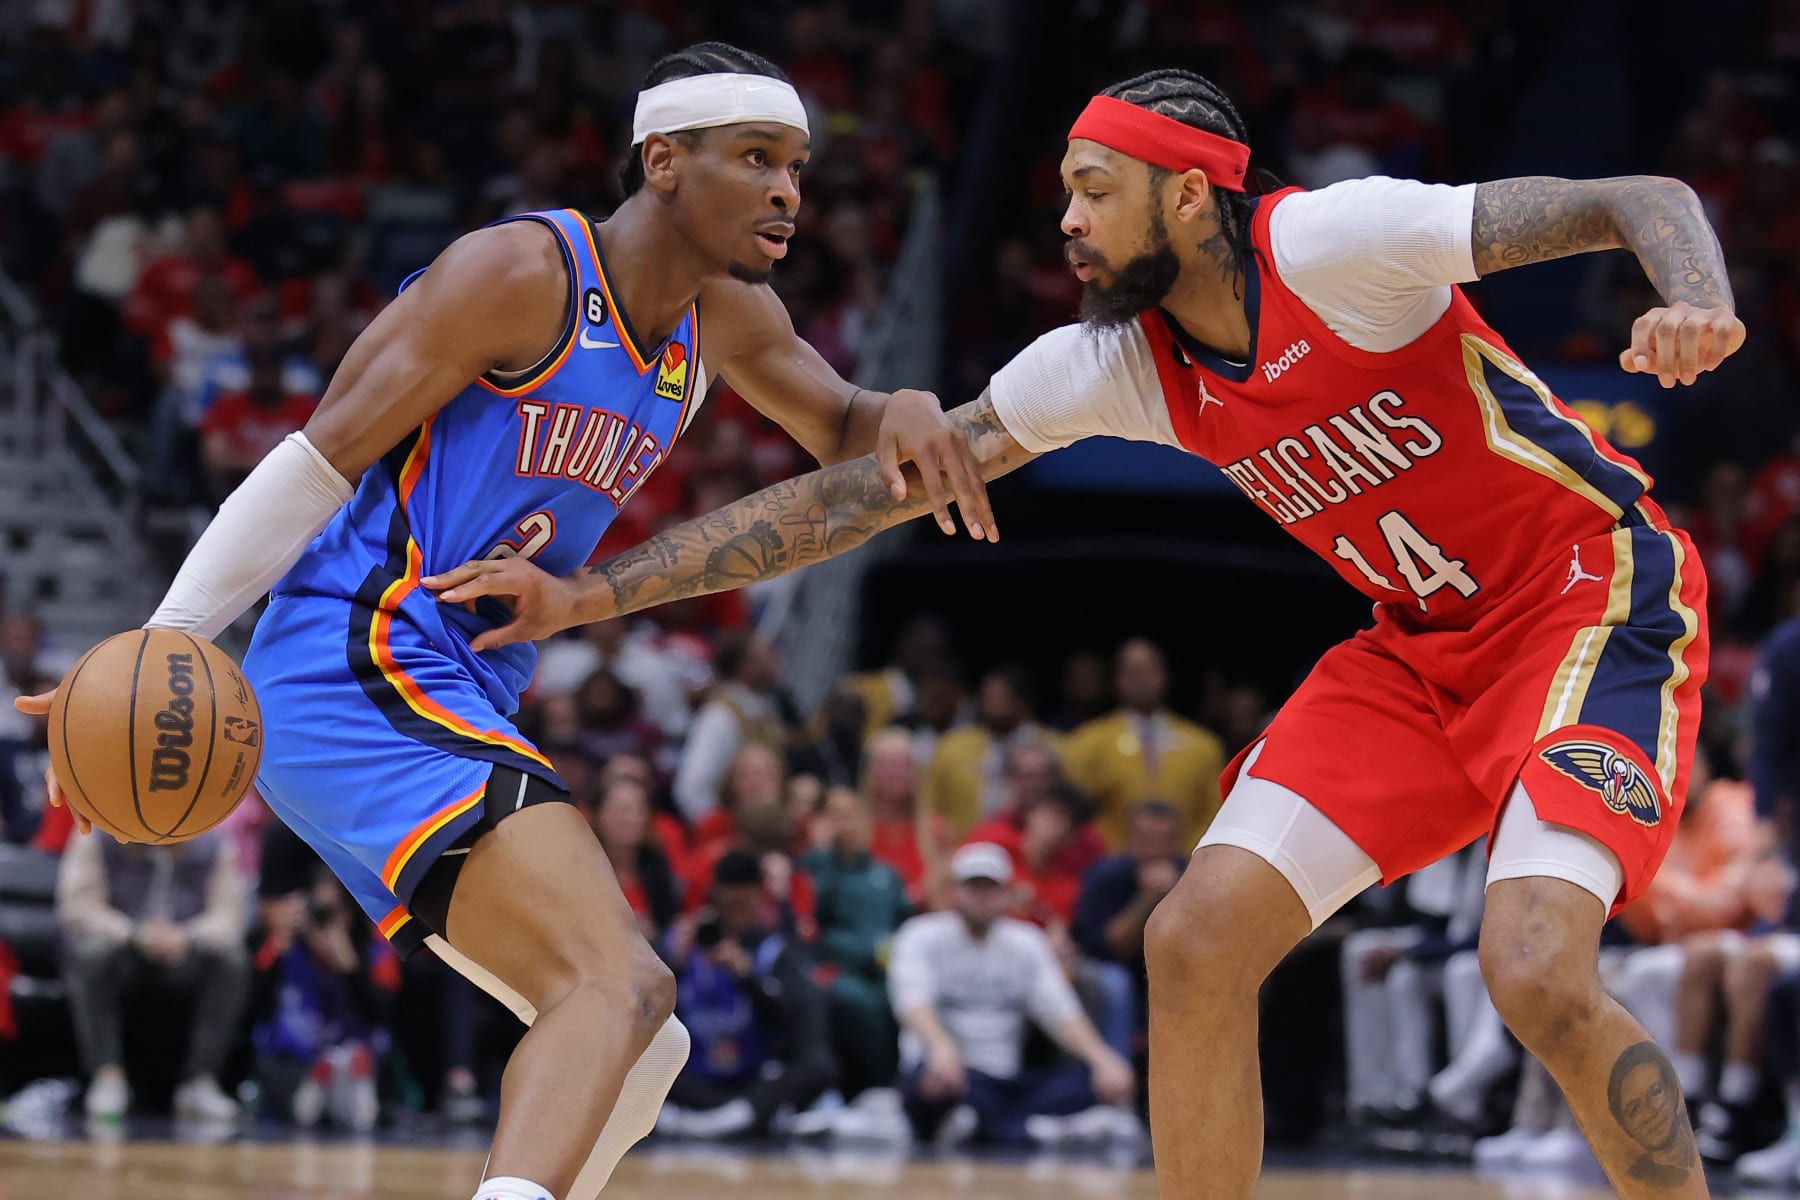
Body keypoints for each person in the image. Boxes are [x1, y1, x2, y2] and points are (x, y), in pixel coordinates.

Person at [431, 66, 1744, 1200]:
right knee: (1193, 943)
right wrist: (592, 595)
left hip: (1591, 594)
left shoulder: (1337, 247)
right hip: (1416, 645)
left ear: (1186, 195)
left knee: (1528, 965)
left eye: (1092, 189)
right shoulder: (1110, 363)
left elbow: (1641, 198)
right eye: (1061, 188)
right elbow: (851, 500)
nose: (1063, 219)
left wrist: (1689, 297)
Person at [18, 42, 993, 1200]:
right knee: (618, 987)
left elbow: (844, 425)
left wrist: (916, 404)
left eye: (799, 165)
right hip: (357, 657)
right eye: (758, 159)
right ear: (665, 162)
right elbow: (317, 459)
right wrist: (171, 637)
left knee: (639, 1030)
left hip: (453, 685)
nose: (790, 191)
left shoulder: (727, 316)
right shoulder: (522, 272)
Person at [886, 841, 1137, 1149]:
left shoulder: (1027, 943)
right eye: (973, 887)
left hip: (1004, 1078)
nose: (981, 898)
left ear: (1006, 893)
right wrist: (940, 1046)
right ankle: (1033, 1129)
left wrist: (1102, 1059)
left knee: (1092, 1081)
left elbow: (1059, 1011)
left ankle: (990, 1126)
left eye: (990, 889)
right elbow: (911, 1002)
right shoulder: (920, 935)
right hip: (946, 1072)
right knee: (930, 1086)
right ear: (955, 891)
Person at [57, 831, 249, 1121]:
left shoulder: (215, 844)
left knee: (232, 959)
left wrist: (188, 936)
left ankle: (200, 1081)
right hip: (125, 951)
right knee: (90, 954)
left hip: (184, 954)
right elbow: (78, 907)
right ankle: (108, 1076)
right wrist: (133, 934)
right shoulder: (97, 836)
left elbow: (230, 916)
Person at [658, 850, 837, 1138]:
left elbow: (788, 1027)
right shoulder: (682, 943)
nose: (735, 915)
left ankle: (728, 1118)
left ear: (758, 899)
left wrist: (747, 977)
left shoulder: (774, 951)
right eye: (728, 906)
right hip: (692, 1071)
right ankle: (743, 1118)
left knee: (817, 1065)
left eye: (742, 905)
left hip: (753, 1074)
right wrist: (671, 965)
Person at [1064, 638, 1224, 848]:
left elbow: (1215, 814)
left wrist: (1190, 858)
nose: (1140, 679)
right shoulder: (1087, 742)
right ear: (1117, 679)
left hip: (1186, 865)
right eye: (1132, 671)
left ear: (1164, 675)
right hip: (1111, 865)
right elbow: (1074, 813)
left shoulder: (1203, 745)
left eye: (1148, 670)